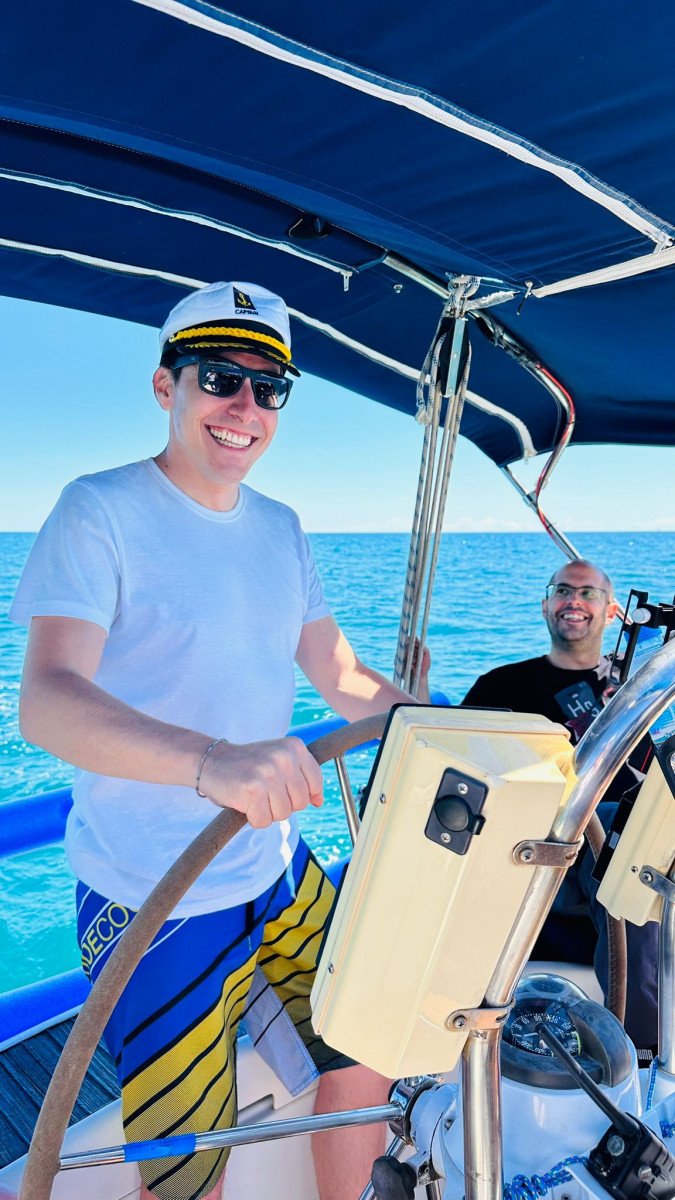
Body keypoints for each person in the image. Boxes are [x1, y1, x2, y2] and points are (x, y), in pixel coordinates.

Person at [10, 281, 417, 1200]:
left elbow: (341, 674)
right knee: (190, 1172)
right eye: (218, 378)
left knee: (368, 1047)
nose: (244, 407)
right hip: (154, 895)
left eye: (267, 388)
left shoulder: (281, 528)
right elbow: (48, 700)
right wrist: (212, 761)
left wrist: (450, 731)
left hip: (277, 865)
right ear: (166, 386)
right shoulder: (97, 509)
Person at [417, 558, 658, 1054]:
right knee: (613, 825)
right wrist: (418, 694)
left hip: (630, 855)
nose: (574, 601)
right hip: (541, 854)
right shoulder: (501, 687)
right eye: (563, 591)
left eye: (588, 593)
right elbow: (449, 769)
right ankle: (645, 1050)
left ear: (612, 610)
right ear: (545, 605)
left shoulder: (642, 692)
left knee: (636, 829)